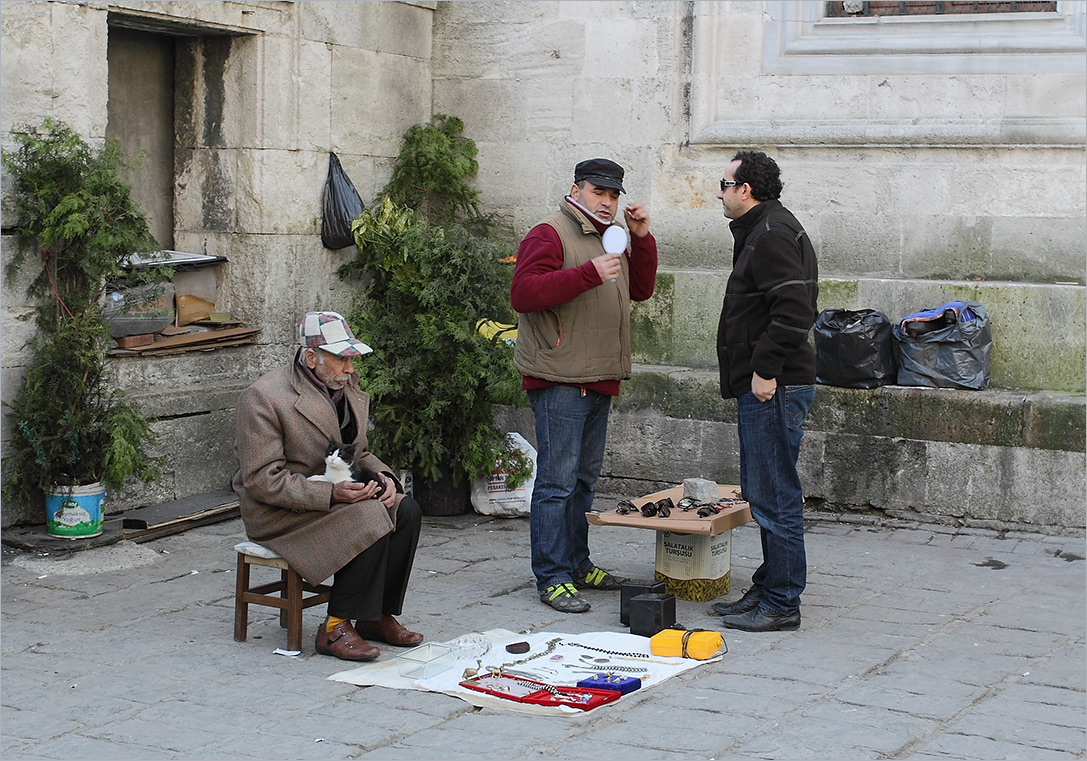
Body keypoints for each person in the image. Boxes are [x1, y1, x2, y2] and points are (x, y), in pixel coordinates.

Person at [510, 158, 659, 613]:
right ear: (576, 190)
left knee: (583, 480)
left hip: (597, 375)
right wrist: (587, 274)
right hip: (558, 376)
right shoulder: (549, 233)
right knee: (557, 481)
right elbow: (523, 293)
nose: (608, 202)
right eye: (599, 192)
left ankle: (577, 563)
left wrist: (641, 239)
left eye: (614, 195)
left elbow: (641, 289)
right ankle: (551, 575)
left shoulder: (609, 235)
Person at [232, 311, 424, 660]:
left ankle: (374, 616)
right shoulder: (263, 397)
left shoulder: (344, 387)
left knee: (405, 509)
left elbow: (359, 453)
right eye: (342, 359)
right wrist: (330, 494)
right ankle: (335, 627)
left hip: (333, 492)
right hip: (281, 512)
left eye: (351, 358)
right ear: (310, 358)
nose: (350, 369)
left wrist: (387, 480)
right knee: (368, 516)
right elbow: (261, 481)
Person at [710, 151, 818, 632]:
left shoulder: (771, 233)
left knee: (774, 495)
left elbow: (794, 310)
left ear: (745, 190)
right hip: (768, 383)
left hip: (773, 386)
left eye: (724, 183)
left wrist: (765, 370)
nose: (720, 192)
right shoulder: (762, 229)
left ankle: (781, 602)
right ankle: (769, 583)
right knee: (763, 491)